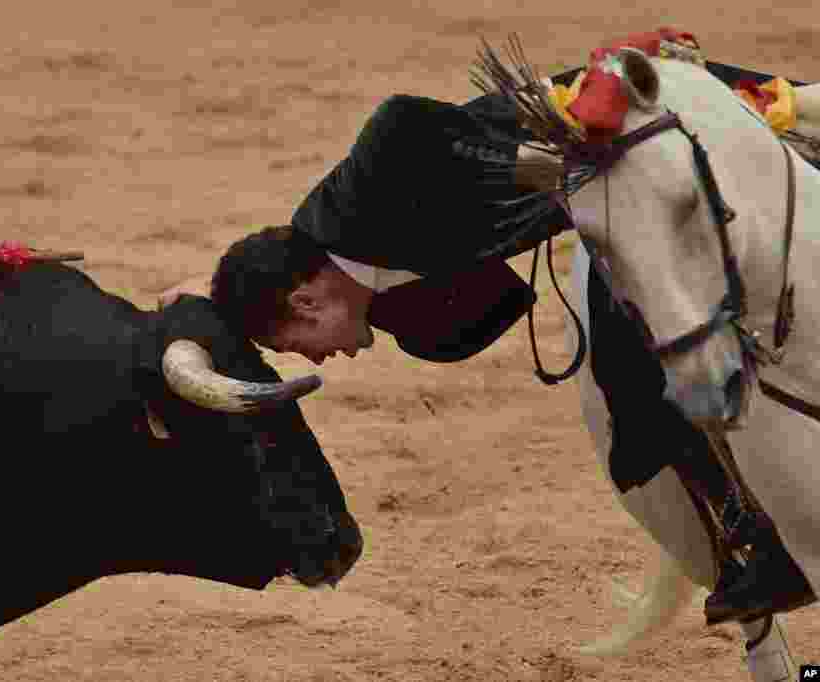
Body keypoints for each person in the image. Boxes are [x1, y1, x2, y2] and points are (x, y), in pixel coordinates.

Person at [161, 90, 815, 624]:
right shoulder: (370, 294)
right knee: (633, 375)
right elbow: (264, 270)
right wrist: (200, 301)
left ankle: (763, 537)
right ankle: (756, 527)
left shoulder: (356, 207)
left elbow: (403, 122)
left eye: (294, 345)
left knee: (646, 365)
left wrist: (547, 167)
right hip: (618, 204)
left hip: (637, 125)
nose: (322, 358)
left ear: (306, 303)